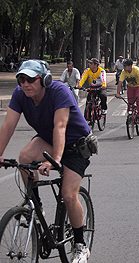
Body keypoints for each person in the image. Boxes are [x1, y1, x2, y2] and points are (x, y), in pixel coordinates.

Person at [0, 59, 95, 263]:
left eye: (30, 80)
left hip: (76, 146)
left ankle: (80, 244)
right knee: (24, 158)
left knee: (69, 195)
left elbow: (60, 126)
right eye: (21, 79)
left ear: (44, 80)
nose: (25, 84)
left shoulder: (59, 91)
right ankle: (35, 205)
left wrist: (56, 161)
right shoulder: (20, 94)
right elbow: (8, 126)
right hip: (49, 142)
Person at [116, 59, 139, 123]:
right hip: (130, 87)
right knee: (130, 101)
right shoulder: (124, 72)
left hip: (138, 86)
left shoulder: (136, 70)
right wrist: (118, 93)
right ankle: (129, 114)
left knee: (138, 100)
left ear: (130, 66)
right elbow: (120, 83)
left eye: (125, 66)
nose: (124, 67)